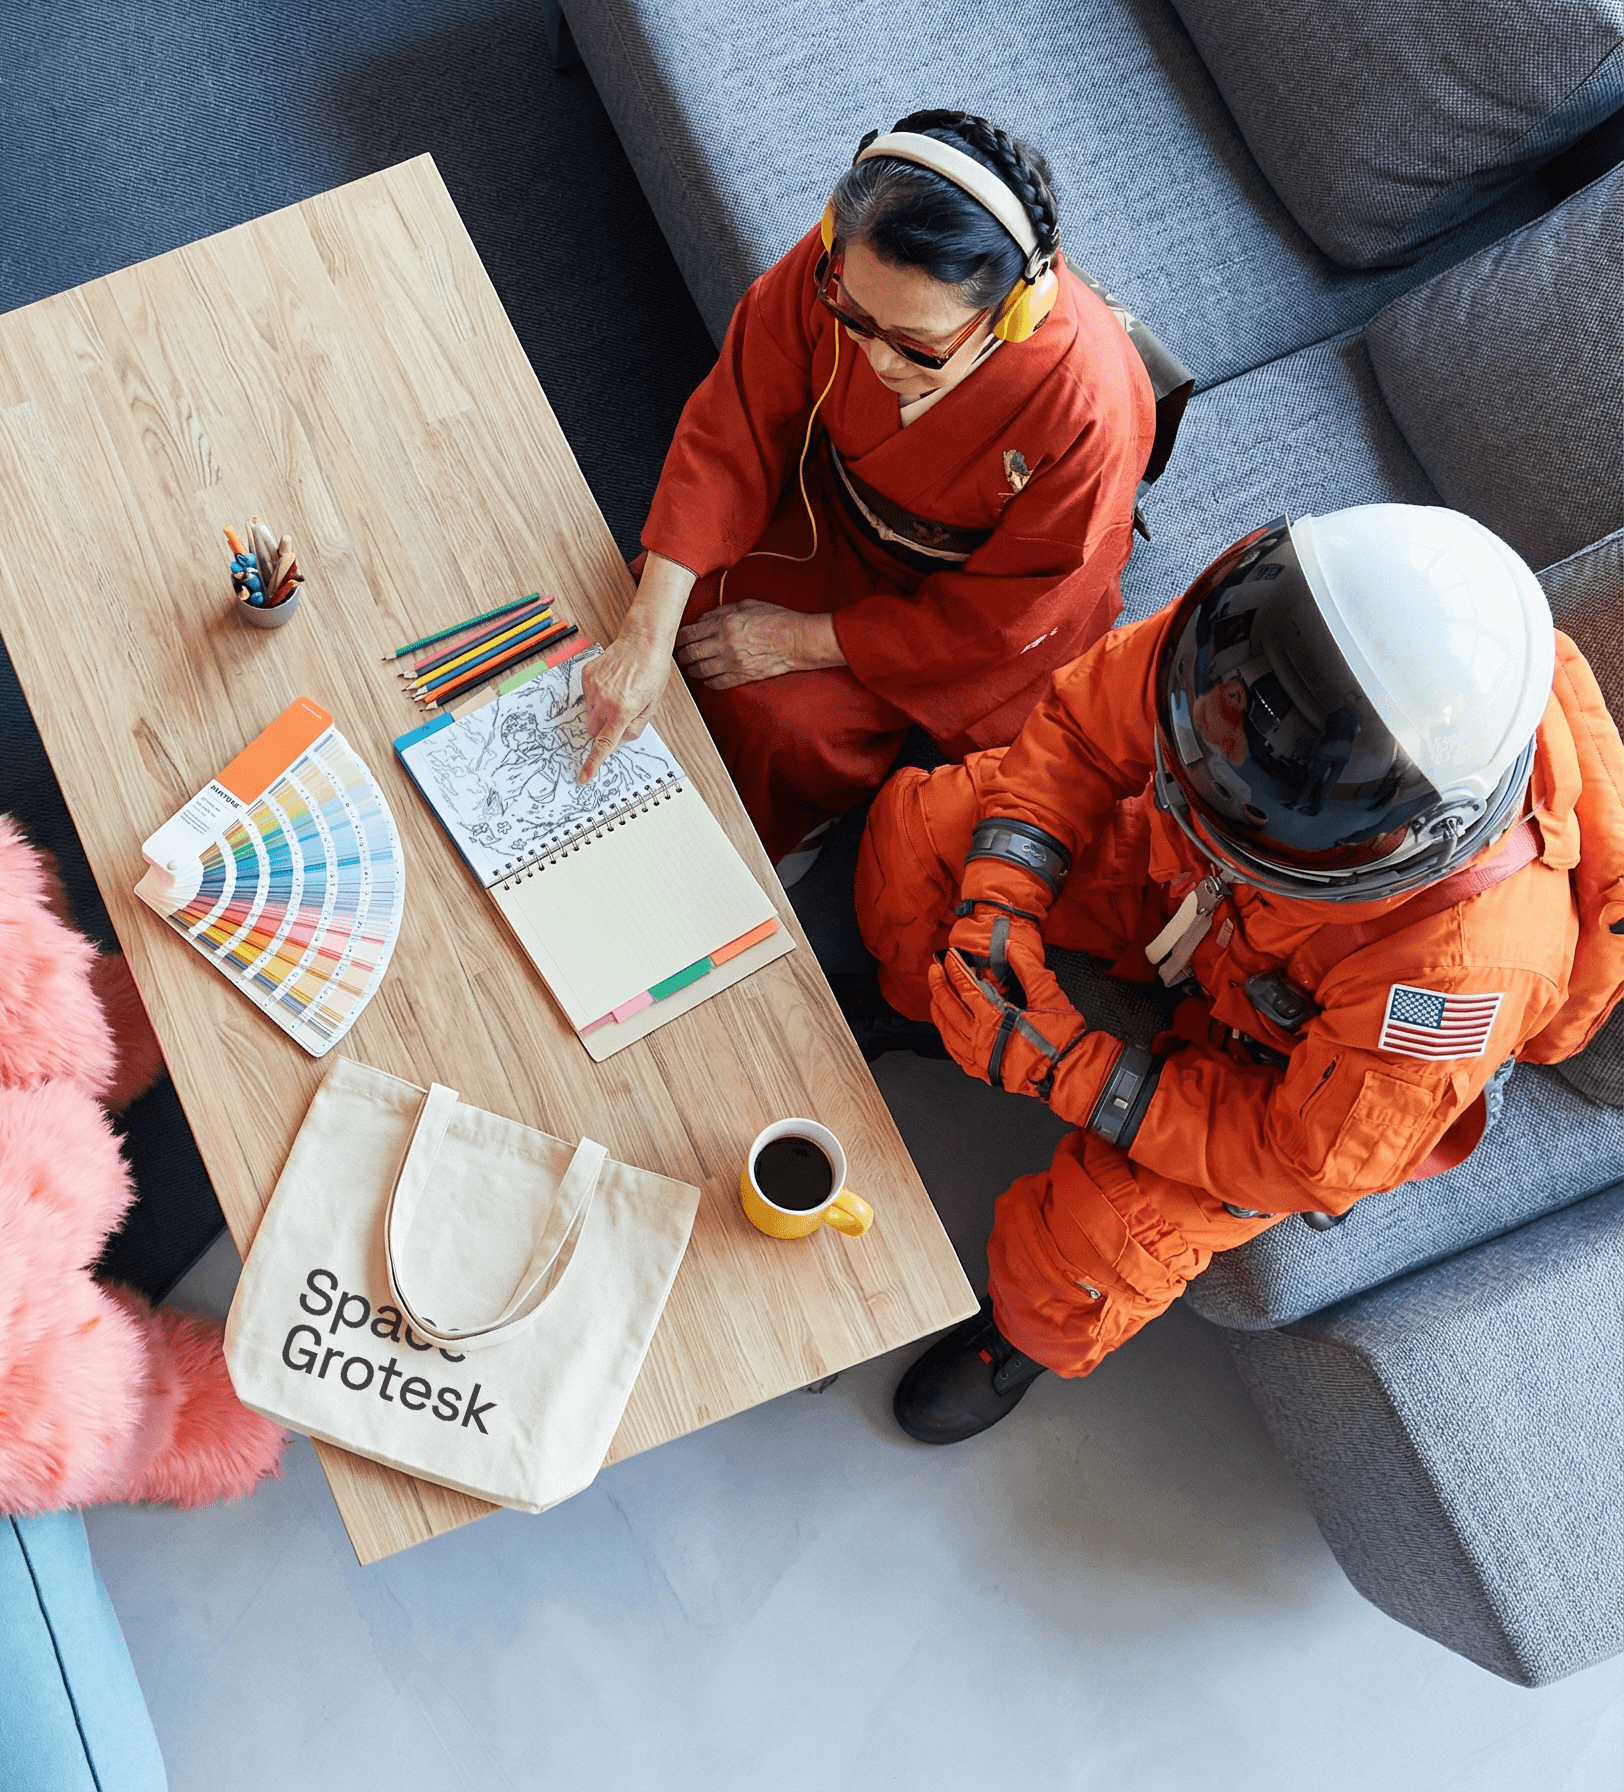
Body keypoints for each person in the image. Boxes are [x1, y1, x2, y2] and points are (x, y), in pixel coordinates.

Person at [852, 504, 1624, 1444]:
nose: (1230, 748)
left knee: (1104, 1238)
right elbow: (1082, 732)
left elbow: (1308, 1157)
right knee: (924, 839)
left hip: (1289, 1059)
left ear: (1411, 832)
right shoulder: (1262, 624)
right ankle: (937, 1012)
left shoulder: (1461, 973)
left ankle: (1018, 1337)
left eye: (1277, 777)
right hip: (1183, 874)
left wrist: (1070, 1068)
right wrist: (996, 916)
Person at [580, 109, 1155, 875]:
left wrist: (799, 639)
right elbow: (733, 426)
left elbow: (1007, 615)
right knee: (647, 609)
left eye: (917, 345)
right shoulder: (838, 272)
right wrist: (643, 638)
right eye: (855, 317)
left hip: (967, 600)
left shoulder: (1089, 408)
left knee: (788, 726)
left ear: (1010, 313)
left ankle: (791, 834)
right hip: (838, 504)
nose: (877, 360)